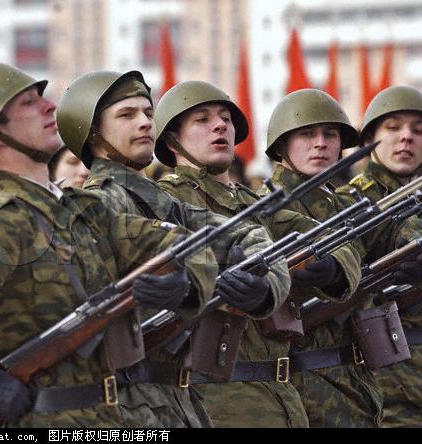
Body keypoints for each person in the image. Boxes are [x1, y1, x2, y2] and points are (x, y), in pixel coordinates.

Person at [0, 63, 219, 427]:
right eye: (28, 103)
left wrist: (186, 283)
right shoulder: (1, 224)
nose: (49, 107)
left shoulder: (81, 212)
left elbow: (184, 243)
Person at [57, 70, 291, 427]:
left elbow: (249, 237)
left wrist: (264, 290)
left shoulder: (164, 204)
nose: (144, 123)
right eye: (126, 115)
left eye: (148, 113)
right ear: (92, 134)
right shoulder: (99, 205)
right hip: (125, 407)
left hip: (174, 400)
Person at [154, 82, 361, 428]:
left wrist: (332, 268)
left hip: (280, 397)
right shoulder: (165, 202)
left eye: (225, 119)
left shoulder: (255, 204)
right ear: (172, 138)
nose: (220, 126)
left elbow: (334, 240)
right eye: (202, 120)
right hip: (212, 401)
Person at [258, 88, 381, 427]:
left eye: (330, 134)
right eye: (307, 134)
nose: (321, 144)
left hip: (355, 376)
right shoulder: (266, 206)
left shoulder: (343, 203)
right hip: (305, 380)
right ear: (281, 145)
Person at [337, 85, 422, 428]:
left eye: (418, 130)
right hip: (384, 382)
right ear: (370, 138)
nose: (406, 137)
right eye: (393, 128)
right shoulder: (344, 203)